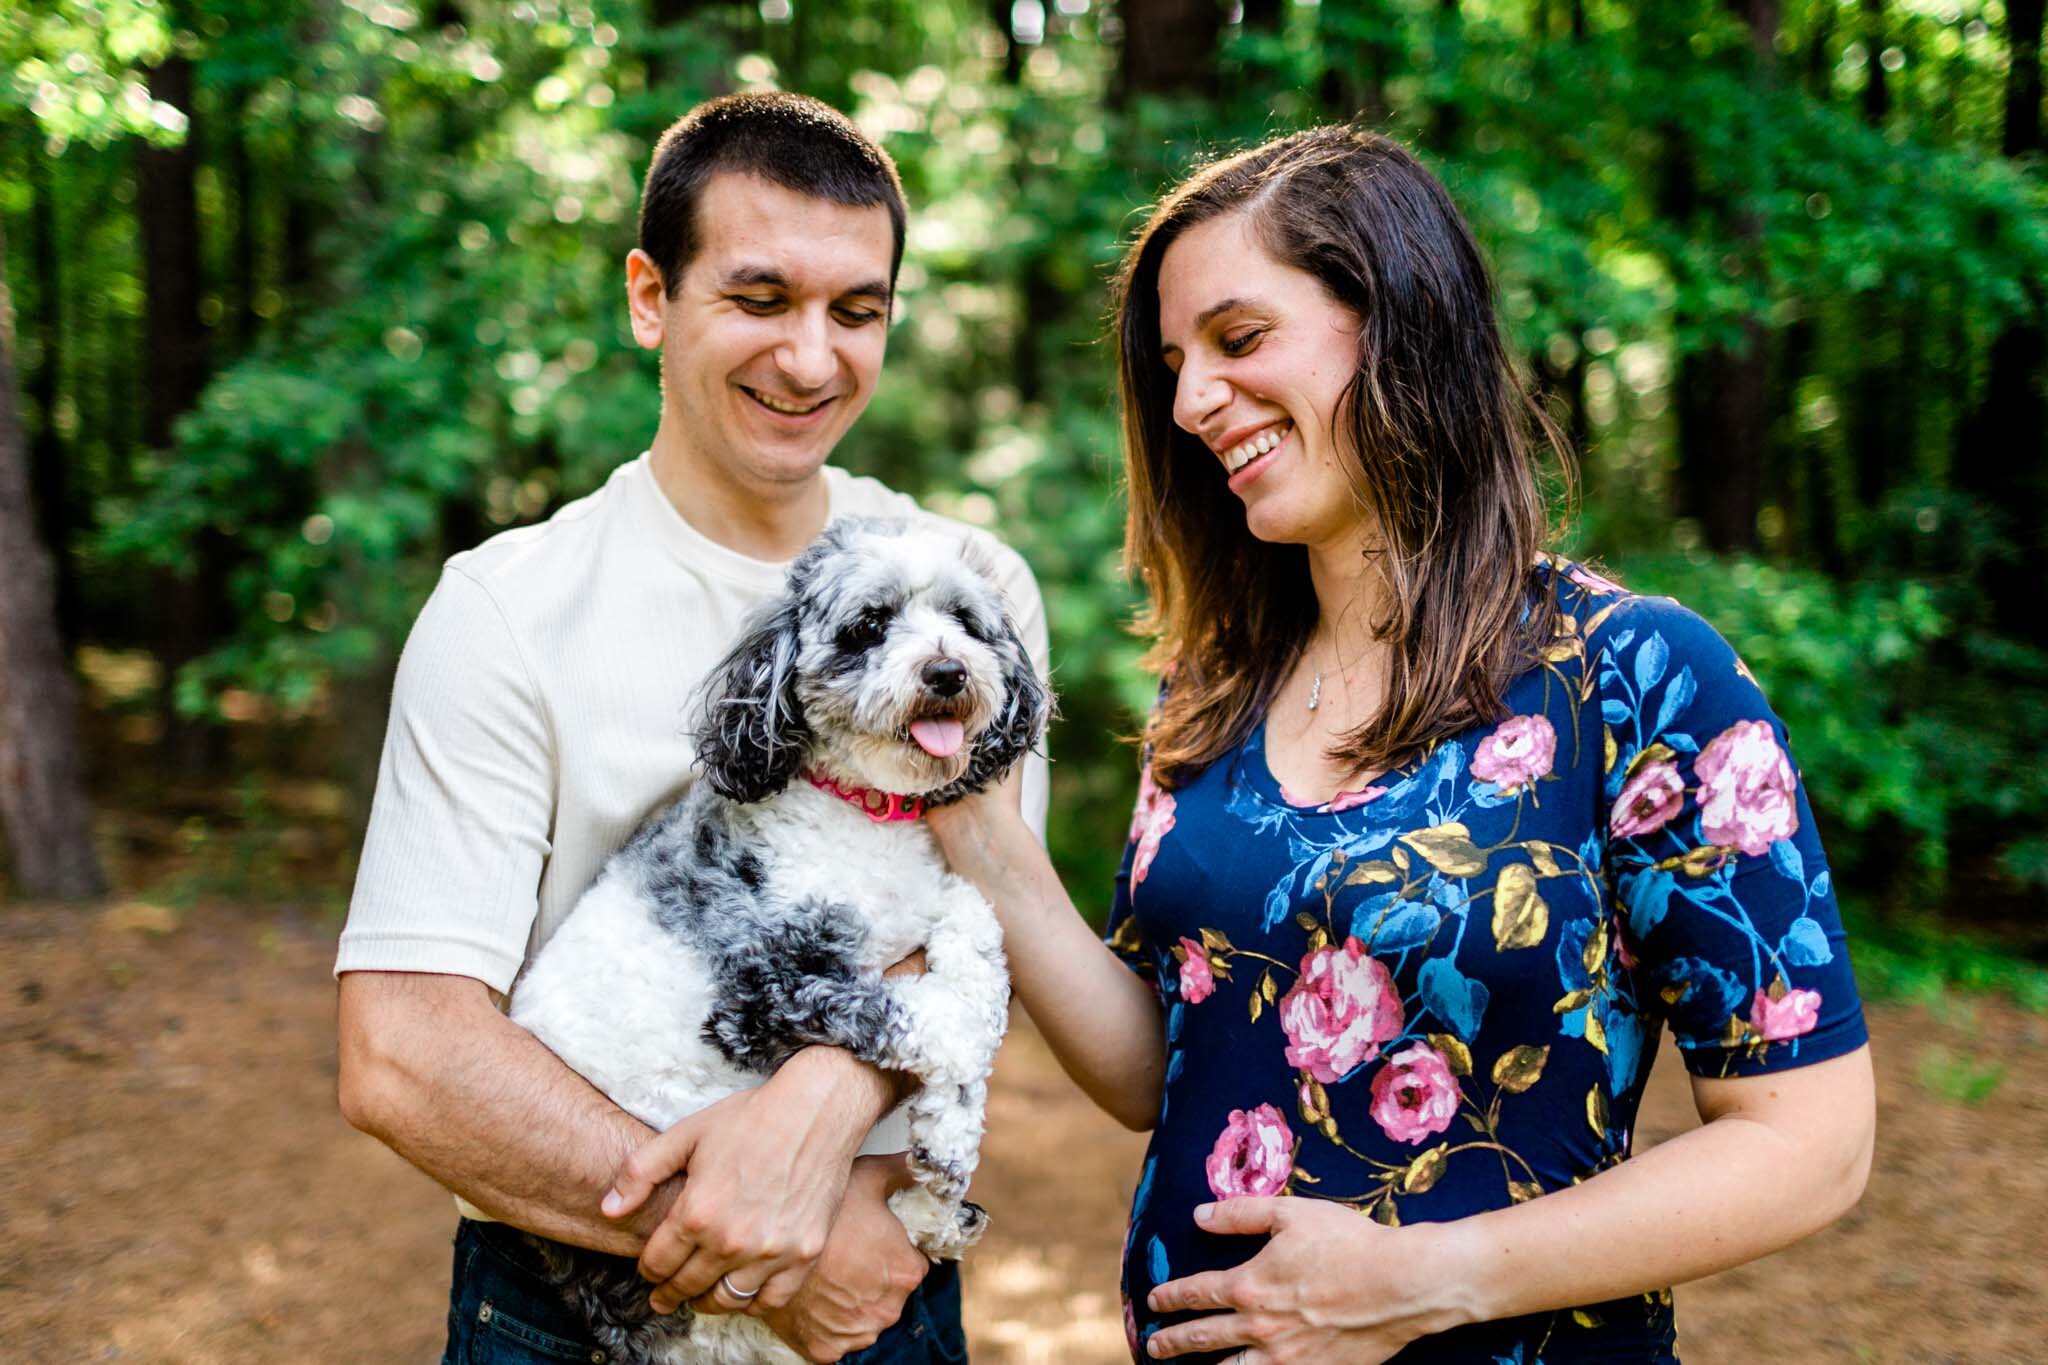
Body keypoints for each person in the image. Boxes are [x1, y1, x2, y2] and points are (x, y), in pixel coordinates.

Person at [927, 126, 1873, 1364]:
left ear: (1398, 324)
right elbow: (1162, 1068)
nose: (1188, 400)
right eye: (1171, 364)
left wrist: (1423, 1279)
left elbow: (1809, 1143)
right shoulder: (1209, 693)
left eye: (1238, 338)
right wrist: (984, 846)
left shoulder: (1637, 678)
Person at [334, 91, 1050, 1364]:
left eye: (857, 311)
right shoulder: (506, 610)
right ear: (649, 299)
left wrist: (832, 1175)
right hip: (569, 1301)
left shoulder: (971, 591)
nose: (813, 358)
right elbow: (404, 1051)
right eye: (760, 299)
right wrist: (760, 1250)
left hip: (875, 1281)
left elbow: (975, 932)